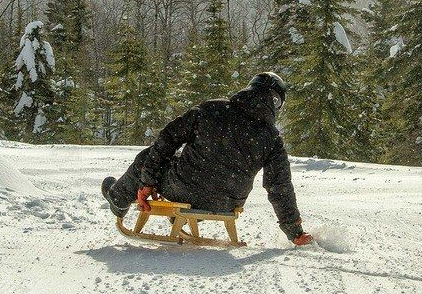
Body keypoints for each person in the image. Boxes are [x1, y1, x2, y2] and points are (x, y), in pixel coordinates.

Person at [102, 72, 313, 246]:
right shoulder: (272, 138)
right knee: (183, 166)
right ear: (276, 105)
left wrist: (147, 181)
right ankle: (179, 213)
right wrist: (294, 231)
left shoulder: (213, 109)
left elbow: (168, 138)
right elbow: (280, 186)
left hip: (184, 188)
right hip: (228, 202)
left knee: (150, 156)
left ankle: (119, 199)